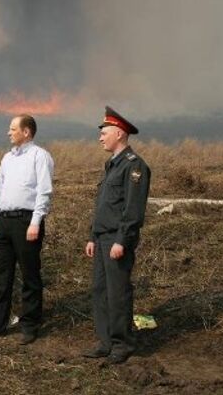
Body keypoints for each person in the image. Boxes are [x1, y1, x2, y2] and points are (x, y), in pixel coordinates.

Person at [0, 114, 54, 345]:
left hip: (26, 221)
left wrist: (35, 222)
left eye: (12, 129)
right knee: (1, 274)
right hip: (3, 221)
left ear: (26, 132)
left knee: (30, 274)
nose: (8, 133)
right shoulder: (7, 158)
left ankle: (30, 325)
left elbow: (44, 191)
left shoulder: (40, 156)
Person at [82, 106, 151, 364]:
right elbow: (103, 206)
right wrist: (92, 236)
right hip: (101, 239)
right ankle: (105, 341)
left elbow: (132, 211)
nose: (100, 137)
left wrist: (122, 240)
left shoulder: (134, 167)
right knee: (100, 290)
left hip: (116, 240)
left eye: (104, 132)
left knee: (118, 291)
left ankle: (122, 344)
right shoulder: (111, 166)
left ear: (119, 134)